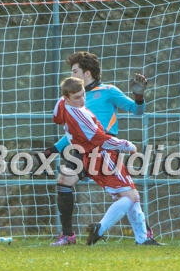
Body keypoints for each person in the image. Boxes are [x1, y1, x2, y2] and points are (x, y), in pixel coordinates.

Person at [44, 51, 151, 245]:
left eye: (75, 71)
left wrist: (139, 96)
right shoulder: (71, 99)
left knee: (125, 193)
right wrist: (53, 150)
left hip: (105, 148)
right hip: (82, 150)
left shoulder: (108, 91)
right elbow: (74, 132)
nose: (72, 75)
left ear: (87, 73)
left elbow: (137, 111)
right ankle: (68, 235)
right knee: (64, 181)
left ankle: (142, 234)